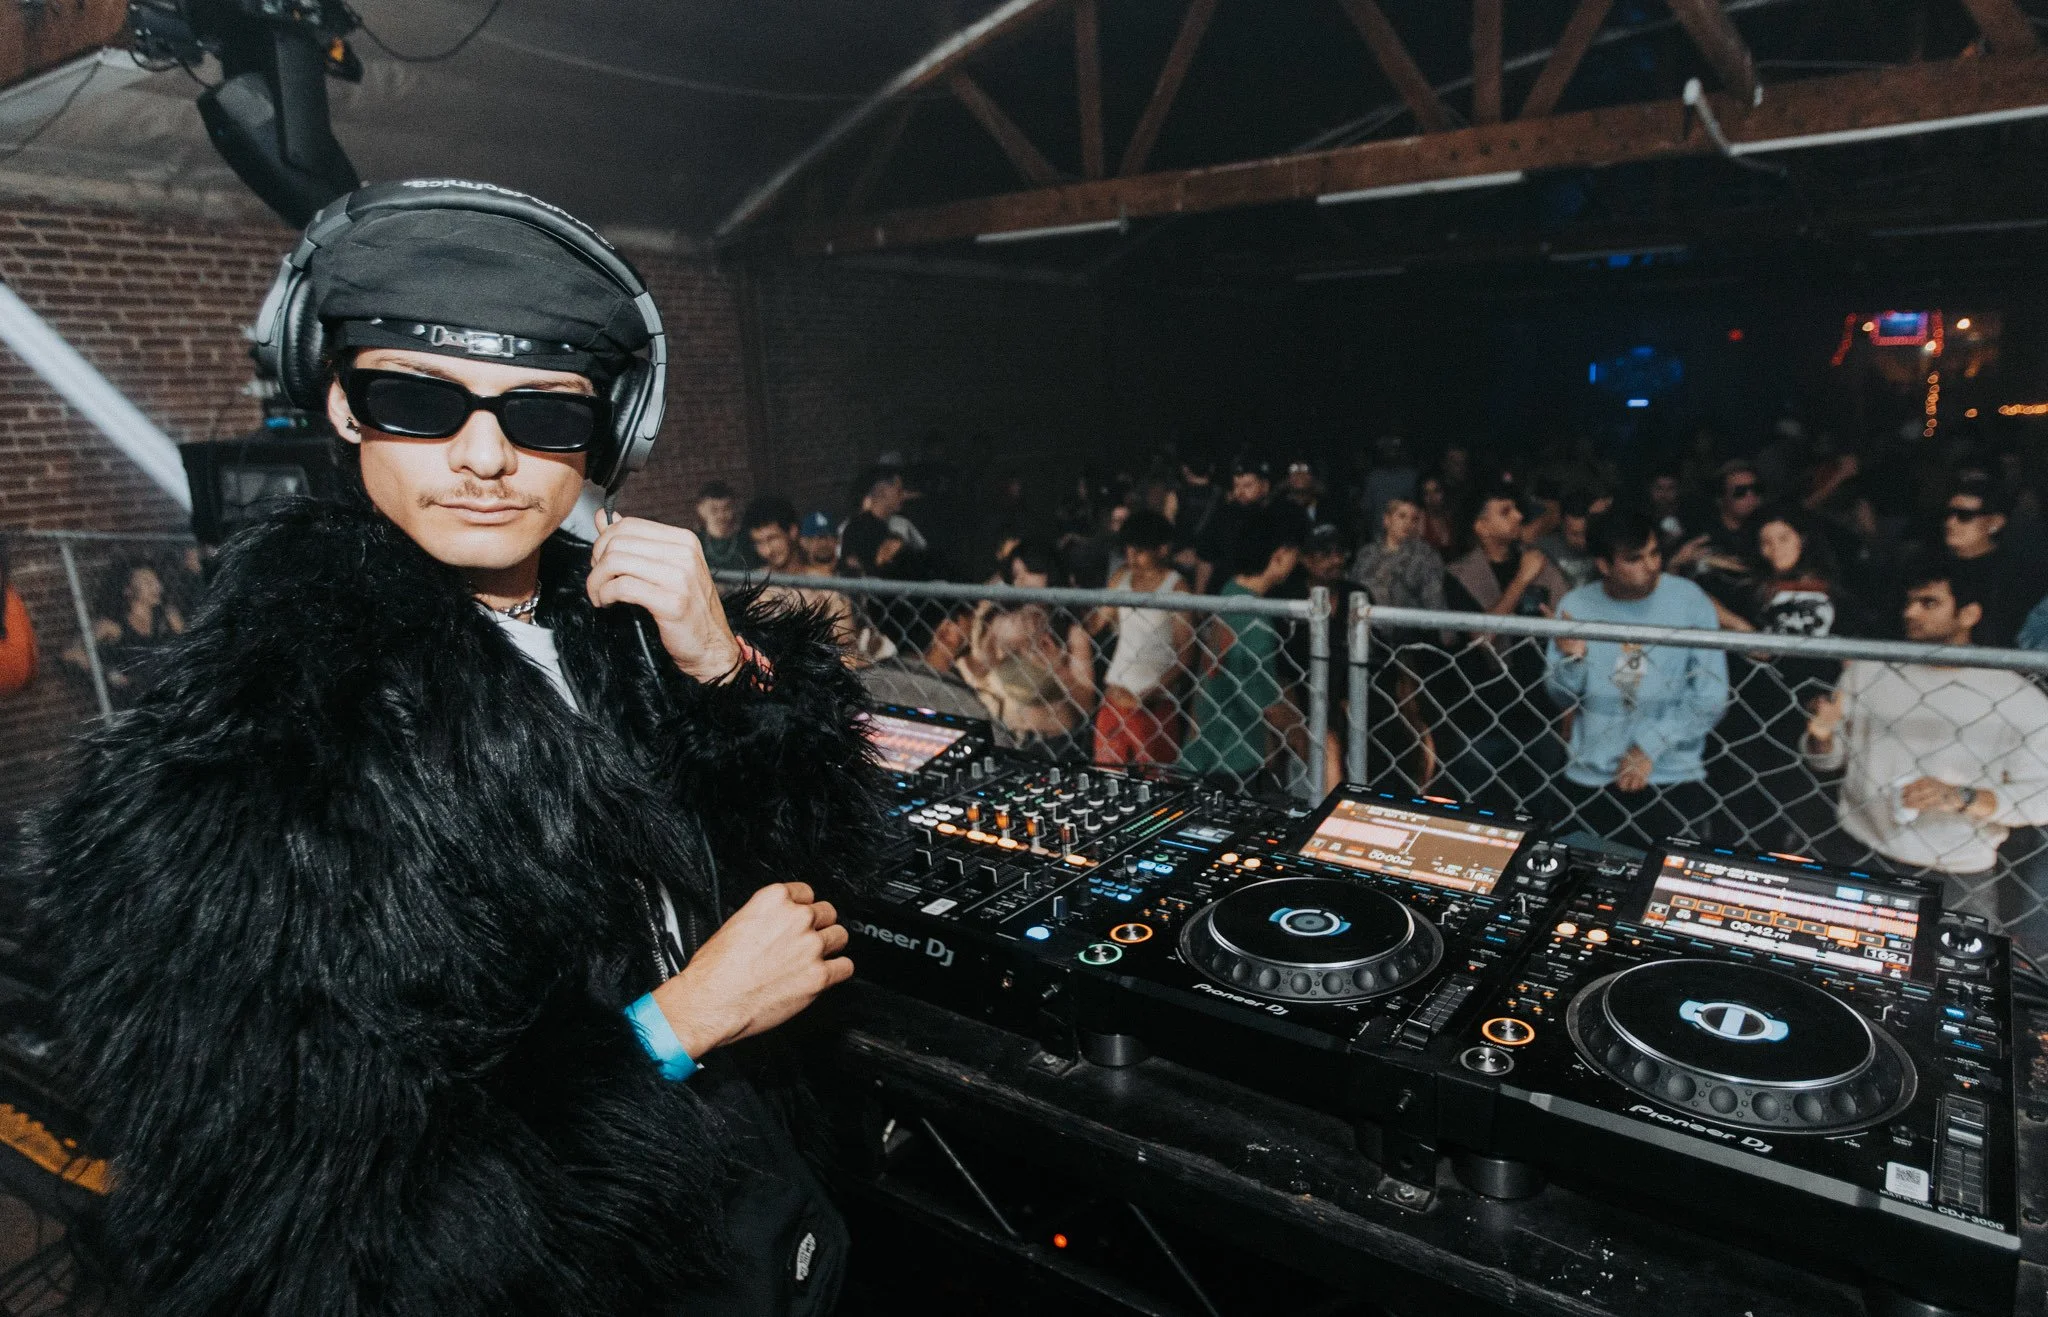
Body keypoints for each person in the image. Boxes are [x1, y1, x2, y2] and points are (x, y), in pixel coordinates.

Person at [23, 183, 884, 1317]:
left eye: (542, 416)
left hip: (756, 1217)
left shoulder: (626, 633)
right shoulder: (259, 759)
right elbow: (328, 1252)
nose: (484, 457)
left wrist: (726, 671)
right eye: (420, 401)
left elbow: (828, 866)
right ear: (341, 408)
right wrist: (675, 1027)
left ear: (604, 440)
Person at [1802, 564, 2048, 894]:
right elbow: (1831, 762)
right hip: (1856, 848)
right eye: (1910, 602)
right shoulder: (1870, 669)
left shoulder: (2015, 696)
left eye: (1929, 603)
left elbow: (2041, 797)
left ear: (1969, 614)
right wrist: (1821, 738)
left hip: (1953, 871)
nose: (1911, 612)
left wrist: (1965, 797)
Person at [1545, 507, 1730, 847]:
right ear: (1604, 565)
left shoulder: (1689, 600)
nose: (1651, 566)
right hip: (1591, 772)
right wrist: (1572, 658)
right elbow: (1560, 697)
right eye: (1634, 559)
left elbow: (1711, 695)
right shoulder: (1577, 604)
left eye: (1655, 553)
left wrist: (1647, 748)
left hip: (1671, 773)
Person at [1181, 507, 1303, 785]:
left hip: (1204, 747)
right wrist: (1307, 738)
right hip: (1235, 758)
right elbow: (1266, 703)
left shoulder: (1229, 593)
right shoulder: (1255, 620)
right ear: (1280, 555)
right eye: (1295, 554)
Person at [956, 538, 1096, 759]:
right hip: (1008, 737)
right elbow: (981, 672)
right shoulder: (1004, 622)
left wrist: (1056, 667)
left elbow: (1087, 704)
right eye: (1015, 574)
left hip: (1055, 743)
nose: (1021, 580)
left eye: (1029, 571)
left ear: (1049, 573)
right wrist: (984, 648)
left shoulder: (1070, 632)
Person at [1089, 509, 1191, 766]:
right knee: (1107, 777)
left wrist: (1152, 693)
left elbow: (1186, 655)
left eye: (1140, 550)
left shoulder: (1176, 588)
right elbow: (1096, 622)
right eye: (1128, 549)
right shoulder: (1121, 579)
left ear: (1162, 549)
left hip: (1155, 705)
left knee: (1156, 785)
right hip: (1115, 698)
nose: (1131, 556)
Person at [742, 495, 880, 665]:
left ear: (792, 532)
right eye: (759, 542)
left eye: (772, 538)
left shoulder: (823, 582)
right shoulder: (755, 583)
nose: (767, 550)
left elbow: (845, 643)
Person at [1939, 474, 2048, 649]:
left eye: (1964, 515)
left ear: (1995, 523)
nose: (1950, 522)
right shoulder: (1926, 564)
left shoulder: (2020, 574)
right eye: (1948, 514)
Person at [1443, 483, 1568, 622]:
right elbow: (1482, 637)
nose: (1518, 516)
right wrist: (1522, 580)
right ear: (1482, 528)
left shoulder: (1535, 558)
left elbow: (1566, 612)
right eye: (1505, 512)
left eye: (1516, 508)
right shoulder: (1460, 575)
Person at [1667, 459, 1763, 613]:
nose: (1750, 496)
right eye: (1740, 491)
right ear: (1721, 498)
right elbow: (1673, 588)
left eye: (1756, 489)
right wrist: (1676, 564)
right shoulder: (1700, 536)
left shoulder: (1769, 533)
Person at [1349, 494, 1447, 612]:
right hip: (1366, 622)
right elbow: (1352, 590)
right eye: (1402, 516)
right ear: (1387, 520)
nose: (1408, 523)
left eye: (1414, 519)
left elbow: (1434, 600)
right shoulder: (1366, 553)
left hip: (1406, 623)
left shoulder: (1426, 556)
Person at [1534, 488, 1608, 592]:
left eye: (1587, 533)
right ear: (1562, 525)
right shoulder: (1544, 549)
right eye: (1575, 534)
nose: (1582, 541)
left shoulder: (1608, 547)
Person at [694, 479, 750, 571]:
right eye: (714, 510)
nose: (721, 516)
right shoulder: (695, 543)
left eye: (726, 509)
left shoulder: (746, 540)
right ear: (701, 510)